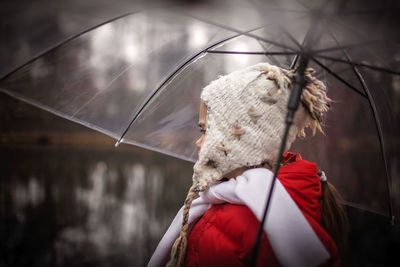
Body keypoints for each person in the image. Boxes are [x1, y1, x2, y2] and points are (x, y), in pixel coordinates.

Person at [148, 63, 348, 267]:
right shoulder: (232, 198)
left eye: (205, 131)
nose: (198, 143)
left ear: (238, 138)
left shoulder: (249, 220)